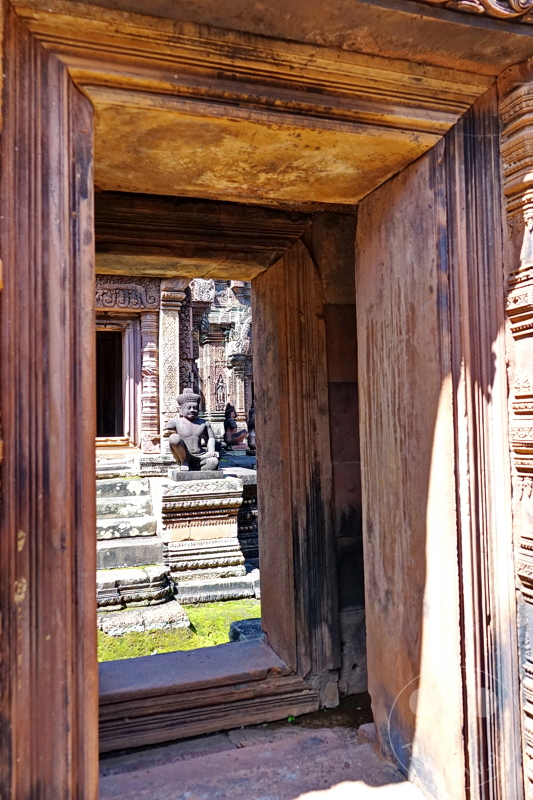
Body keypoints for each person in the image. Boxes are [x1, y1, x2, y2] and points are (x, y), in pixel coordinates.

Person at [164, 388, 219, 471]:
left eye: (195, 407)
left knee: (214, 462)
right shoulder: (176, 422)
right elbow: (168, 431)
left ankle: (197, 469)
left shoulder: (204, 423)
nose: (192, 410)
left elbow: (211, 438)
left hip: (201, 455)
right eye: (189, 408)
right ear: (180, 410)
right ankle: (184, 462)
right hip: (184, 455)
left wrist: (211, 451)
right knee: (173, 437)